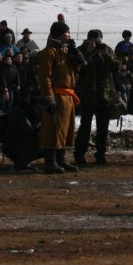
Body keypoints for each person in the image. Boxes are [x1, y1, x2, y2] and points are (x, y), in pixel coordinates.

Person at [36, 14, 86, 174]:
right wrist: (48, 98)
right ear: (59, 34)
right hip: (57, 95)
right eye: (67, 33)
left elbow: (79, 68)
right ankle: (50, 161)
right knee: (53, 128)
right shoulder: (48, 52)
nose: (70, 35)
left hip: (68, 96)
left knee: (66, 129)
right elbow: (45, 77)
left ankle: (61, 159)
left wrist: (75, 54)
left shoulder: (65, 51)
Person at [74, 29, 120, 166]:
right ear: (87, 39)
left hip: (103, 96)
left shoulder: (106, 49)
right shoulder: (81, 50)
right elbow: (78, 67)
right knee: (85, 127)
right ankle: (79, 154)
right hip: (87, 95)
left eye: (97, 39)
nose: (95, 42)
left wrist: (106, 55)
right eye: (92, 39)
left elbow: (116, 66)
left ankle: (100, 154)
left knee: (103, 128)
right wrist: (88, 52)